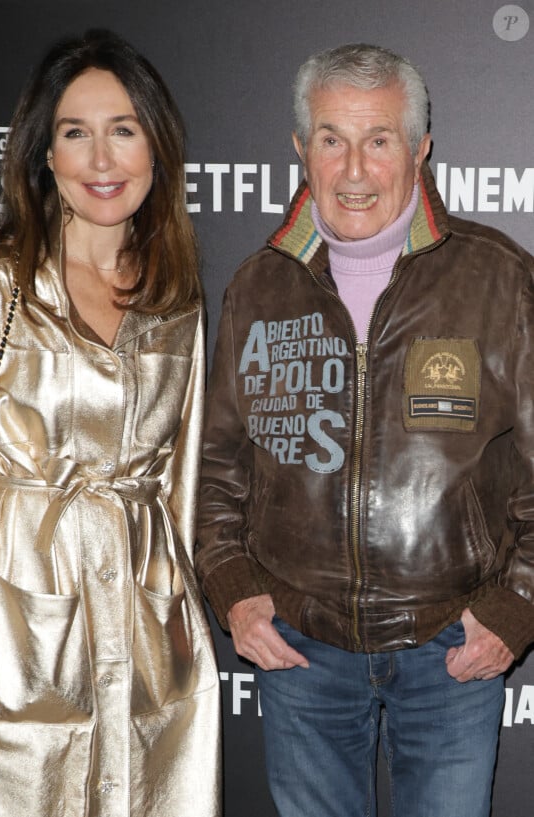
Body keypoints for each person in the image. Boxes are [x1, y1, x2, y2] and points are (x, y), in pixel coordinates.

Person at [196, 42, 534, 817]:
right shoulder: (259, 286)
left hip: (452, 645)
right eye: (331, 139)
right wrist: (238, 592)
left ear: (419, 150)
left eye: (378, 140)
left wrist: (516, 607)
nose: (353, 170)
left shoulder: (500, 279)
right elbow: (217, 474)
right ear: (299, 148)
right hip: (300, 647)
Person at [0, 29, 220, 817]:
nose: (102, 160)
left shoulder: (177, 298)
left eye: (123, 131)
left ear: (156, 150)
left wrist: (181, 628)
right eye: (76, 133)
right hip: (14, 629)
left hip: (147, 634)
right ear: (45, 154)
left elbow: (182, 483)